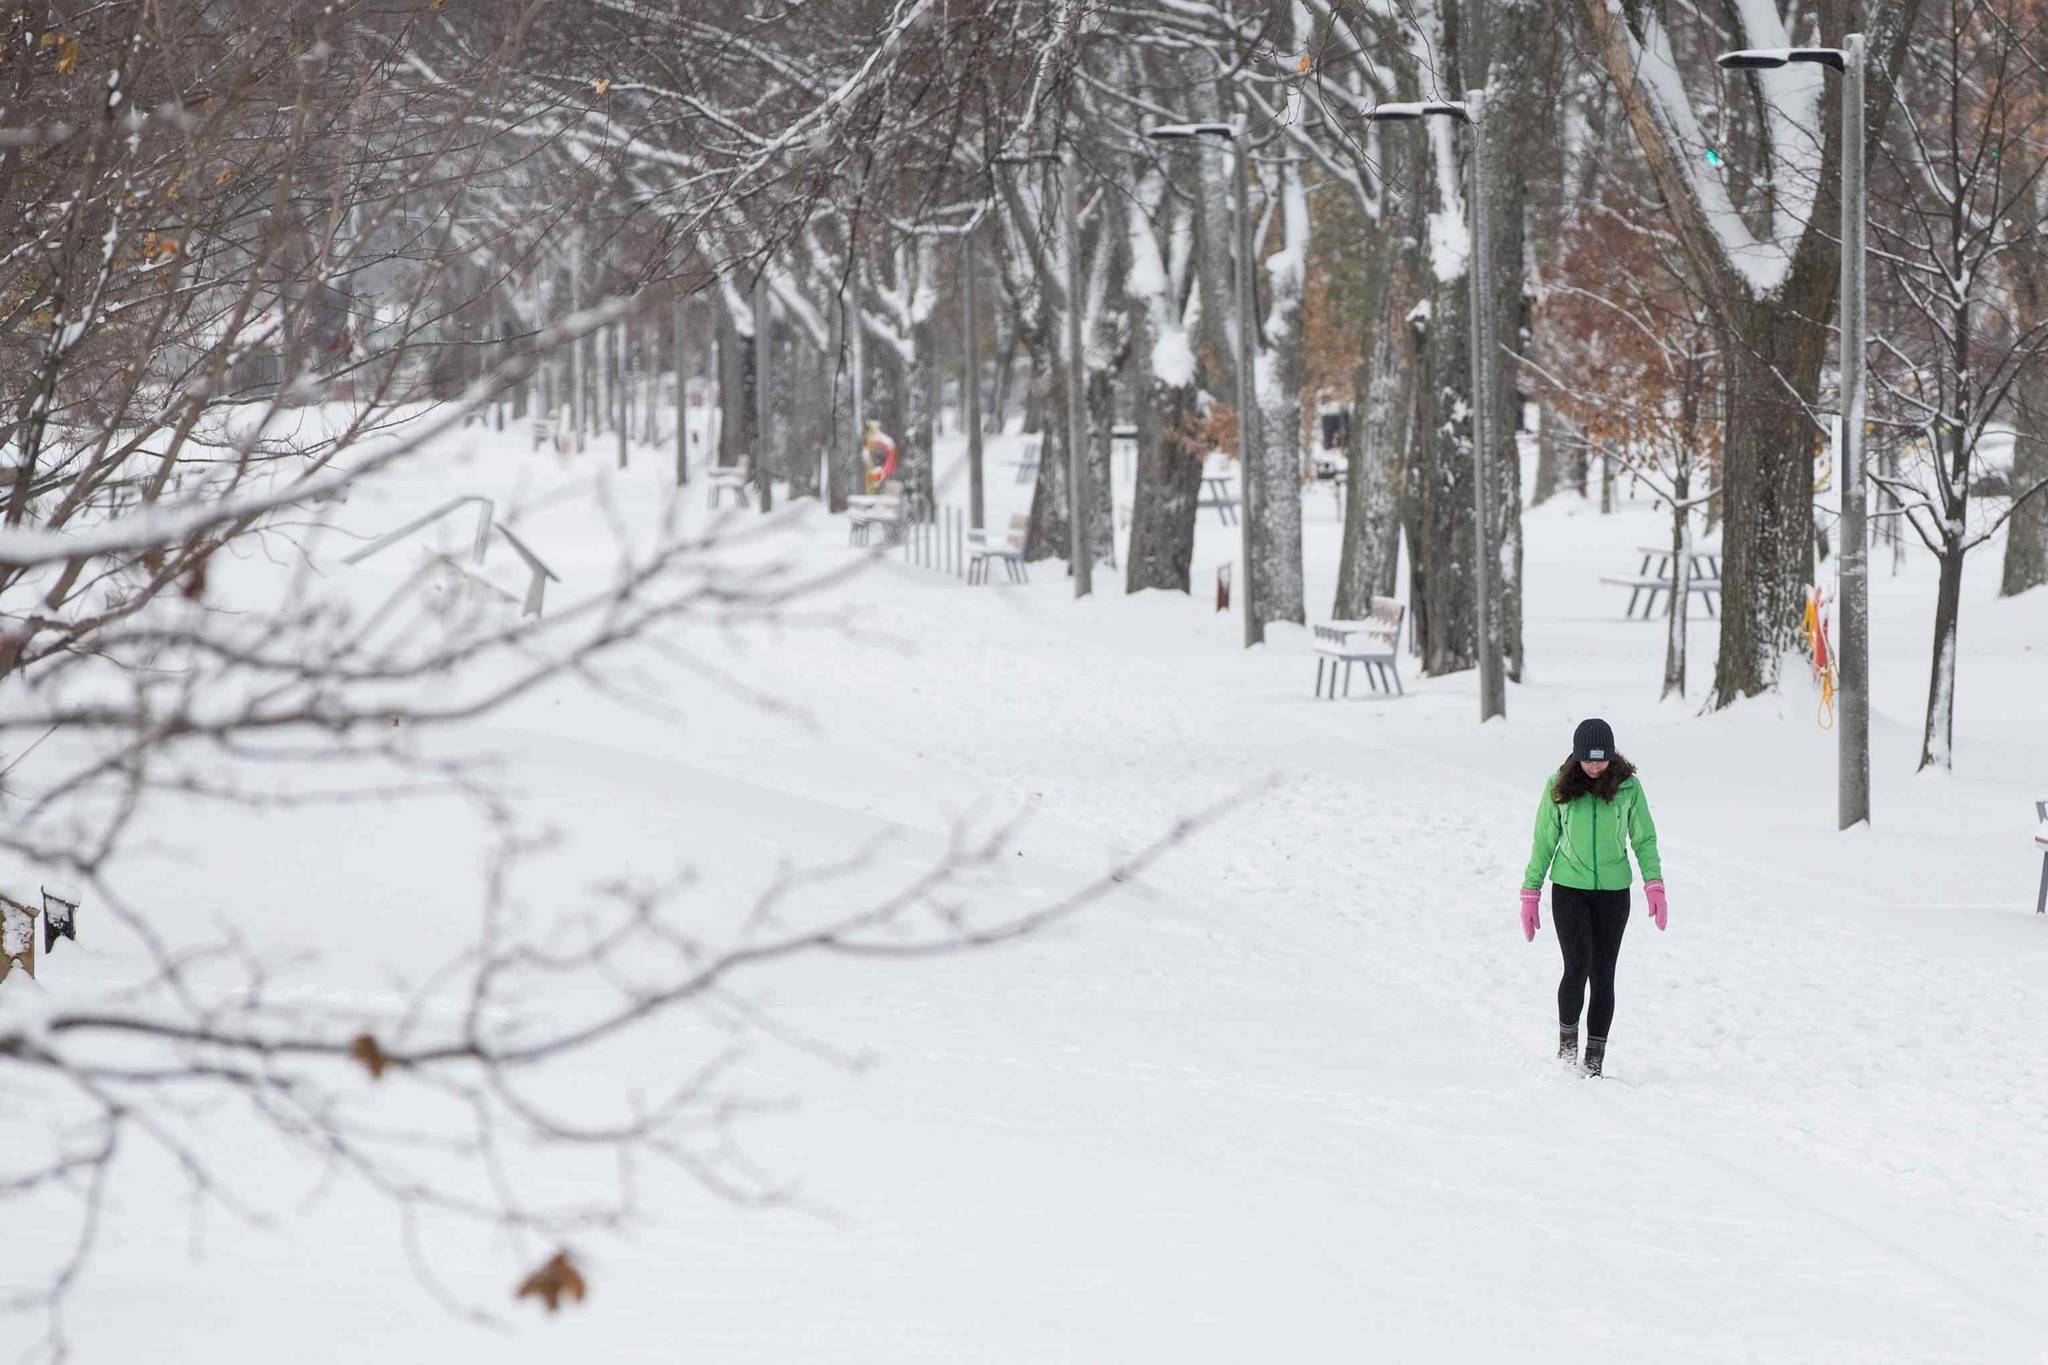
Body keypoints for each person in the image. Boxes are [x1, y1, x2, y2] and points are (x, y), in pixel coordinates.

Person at [1518, 718, 1666, 1077]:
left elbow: (1643, 839)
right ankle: (1567, 1051)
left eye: (1601, 760)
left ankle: (1594, 1061)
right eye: (1588, 760)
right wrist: (1531, 892)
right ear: (1577, 756)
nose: (1595, 766)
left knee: (1604, 974)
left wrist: (1654, 884)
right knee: (1577, 965)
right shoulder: (1559, 786)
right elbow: (1544, 840)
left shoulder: (1629, 788)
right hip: (1569, 889)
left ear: (1612, 756)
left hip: (1614, 894)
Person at [862, 419, 899, 494]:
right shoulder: (886, 441)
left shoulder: (882, 441)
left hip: (882, 474)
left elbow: (888, 460)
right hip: (881, 474)